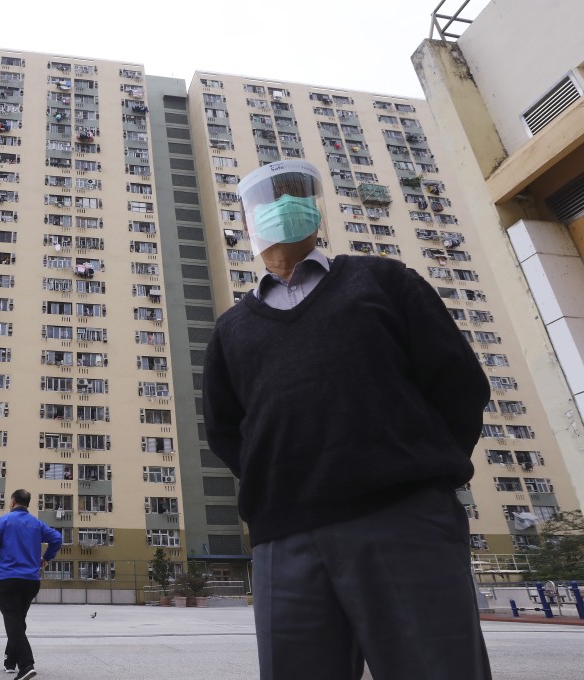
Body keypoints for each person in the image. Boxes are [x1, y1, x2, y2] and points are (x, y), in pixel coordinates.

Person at [202, 159, 492, 680]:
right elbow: (227, 430)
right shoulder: (231, 329)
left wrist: (416, 470)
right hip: (284, 538)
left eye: (295, 192)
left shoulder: (382, 280)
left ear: (316, 209)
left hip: (404, 519)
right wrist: (287, 485)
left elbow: (458, 384)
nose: (283, 204)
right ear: (248, 222)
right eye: (269, 198)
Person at [0, 489, 62, 680]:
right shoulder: (37, 523)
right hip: (31, 582)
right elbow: (57, 538)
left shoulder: (4, 521)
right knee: (17, 620)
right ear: (28, 503)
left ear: (12, 502)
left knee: (13, 621)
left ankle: (26, 665)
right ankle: (10, 661)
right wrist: (46, 557)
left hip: (10, 579)